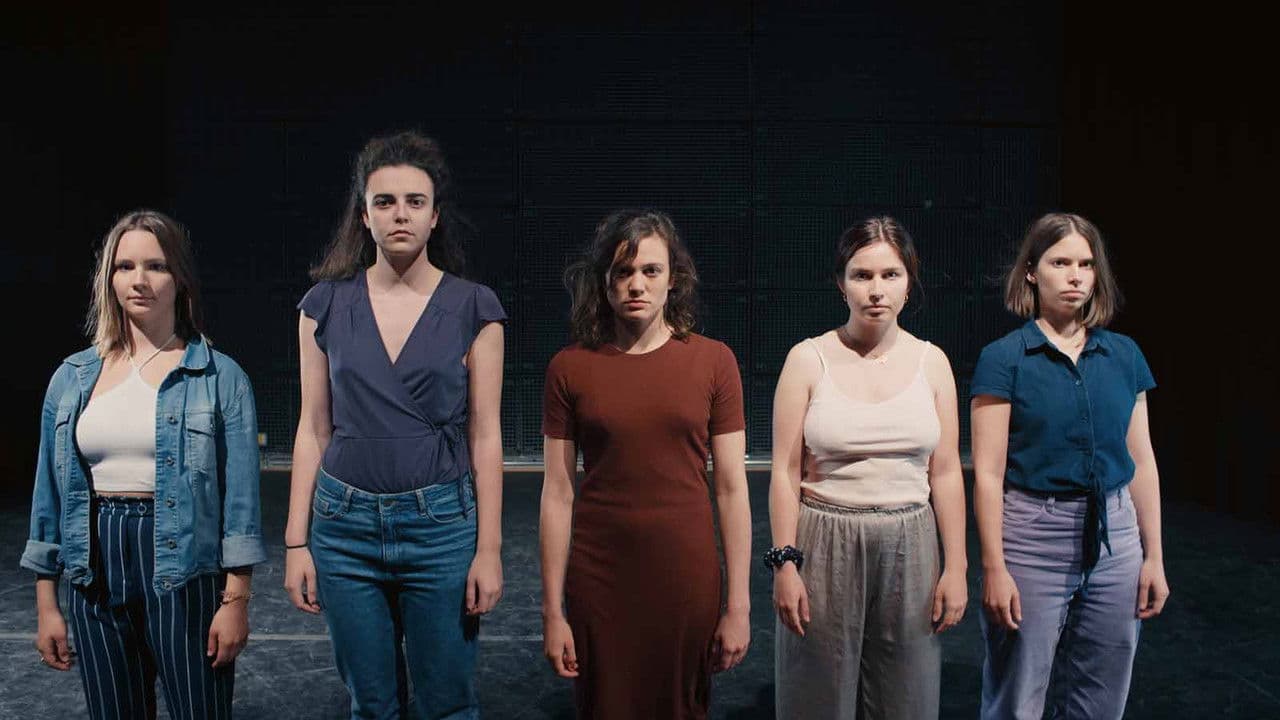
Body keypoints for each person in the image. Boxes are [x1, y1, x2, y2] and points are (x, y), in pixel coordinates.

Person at [283, 131, 505, 719]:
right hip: (343, 530)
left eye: (414, 201)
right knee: (371, 705)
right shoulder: (323, 306)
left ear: (435, 216)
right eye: (384, 201)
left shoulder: (474, 308)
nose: (399, 214)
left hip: (440, 530)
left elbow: (486, 437)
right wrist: (296, 541)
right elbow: (313, 428)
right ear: (364, 215)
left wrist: (489, 549)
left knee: (447, 704)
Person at [23, 209, 264, 719]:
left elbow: (240, 502)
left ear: (180, 278)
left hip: (184, 567)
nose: (139, 280)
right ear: (108, 279)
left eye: (156, 266)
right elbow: (49, 497)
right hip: (95, 564)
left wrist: (236, 601)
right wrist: (47, 604)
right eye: (125, 266)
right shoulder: (71, 379)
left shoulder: (220, 378)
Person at [539, 209, 752, 719]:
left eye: (650, 270)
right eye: (623, 271)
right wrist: (551, 612)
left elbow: (731, 489)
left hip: (684, 574)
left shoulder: (714, 361)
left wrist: (739, 606)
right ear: (604, 280)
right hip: (600, 577)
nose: (636, 284)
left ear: (673, 279)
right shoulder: (570, 367)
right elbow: (558, 493)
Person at [972, 212, 1170, 719]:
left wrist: (1154, 556)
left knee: (1101, 697)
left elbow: (1142, 460)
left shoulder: (1123, 354)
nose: (1076, 276)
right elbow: (988, 475)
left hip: (1115, 535)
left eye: (1085, 264)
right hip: (1034, 535)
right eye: (1060, 263)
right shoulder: (1005, 358)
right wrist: (994, 566)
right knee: (1018, 694)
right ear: (1032, 271)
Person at [768, 217, 968, 719]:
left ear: (908, 282)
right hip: (825, 539)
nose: (876, 290)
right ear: (841, 283)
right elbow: (785, 473)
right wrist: (785, 563)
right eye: (862, 275)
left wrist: (957, 566)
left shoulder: (932, 362)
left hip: (910, 541)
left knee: (907, 698)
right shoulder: (807, 359)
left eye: (890, 275)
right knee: (816, 695)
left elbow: (945, 472)